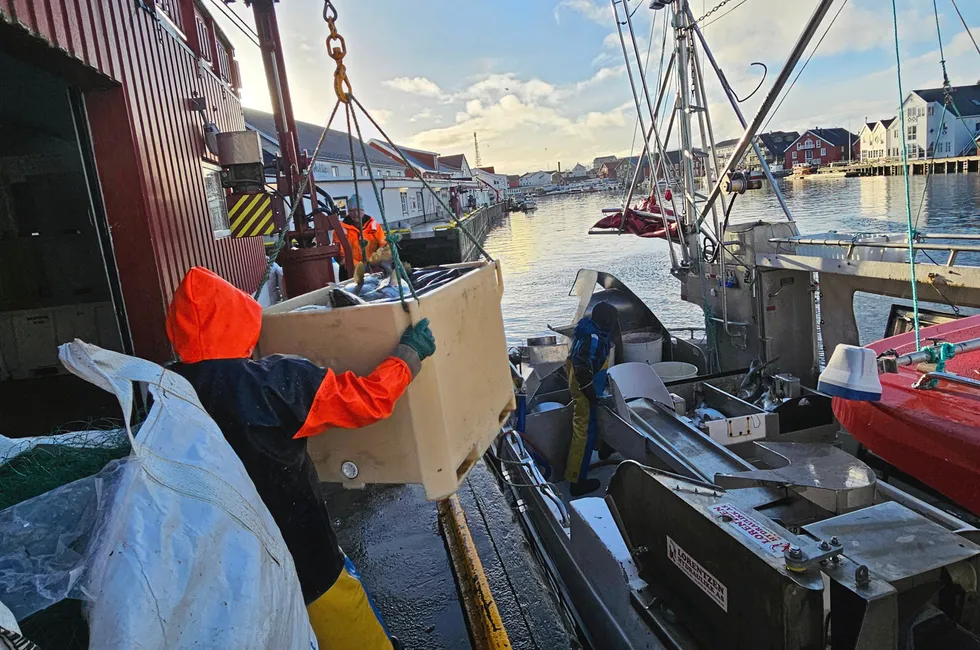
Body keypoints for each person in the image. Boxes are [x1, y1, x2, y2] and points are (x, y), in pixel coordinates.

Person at [165, 266, 435, 650]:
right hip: (305, 559)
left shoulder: (162, 389)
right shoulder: (272, 382)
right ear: (238, 320)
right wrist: (408, 357)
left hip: (221, 572)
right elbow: (367, 401)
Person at [564, 301, 619, 497]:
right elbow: (581, 365)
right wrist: (589, 392)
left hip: (591, 388)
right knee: (583, 434)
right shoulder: (592, 338)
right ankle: (576, 481)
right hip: (584, 391)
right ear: (606, 320)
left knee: (596, 424)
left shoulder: (591, 331)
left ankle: (604, 448)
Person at [340, 195, 387, 267]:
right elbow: (340, 255)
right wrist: (360, 267)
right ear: (348, 212)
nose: (355, 214)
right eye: (352, 211)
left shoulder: (374, 227)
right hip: (350, 270)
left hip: (373, 268)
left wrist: (375, 261)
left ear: (363, 211)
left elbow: (383, 245)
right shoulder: (342, 230)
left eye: (358, 210)